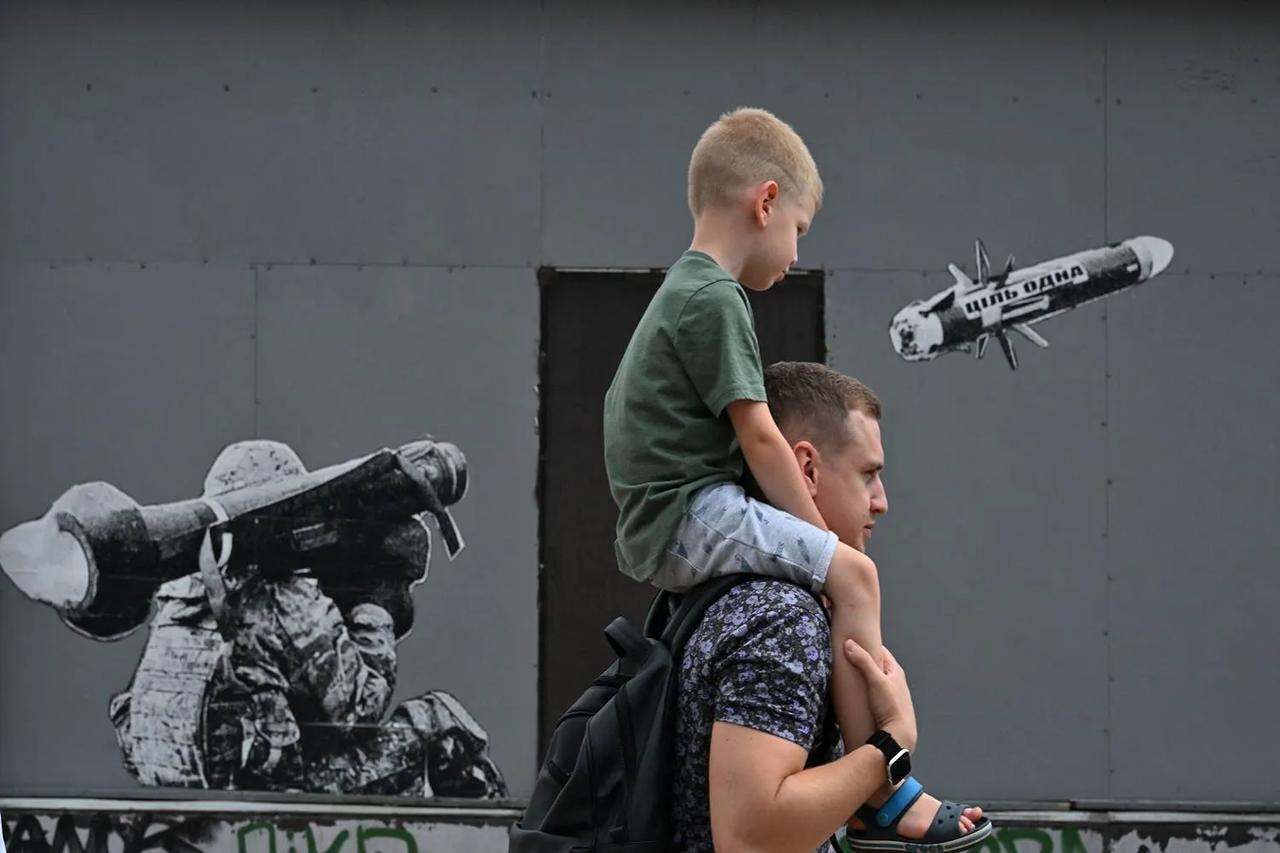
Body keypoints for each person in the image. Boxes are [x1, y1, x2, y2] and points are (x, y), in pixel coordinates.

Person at [602, 108, 980, 833]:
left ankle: (875, 784)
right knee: (856, 577)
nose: (797, 254)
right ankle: (884, 788)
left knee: (840, 576)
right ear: (766, 201)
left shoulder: (677, 294)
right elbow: (762, 438)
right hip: (689, 511)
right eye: (799, 229)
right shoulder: (715, 298)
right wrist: (820, 546)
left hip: (667, 519)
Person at [672, 362, 987, 851]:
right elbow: (749, 838)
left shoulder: (735, 594)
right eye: (868, 474)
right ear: (808, 469)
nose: (881, 501)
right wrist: (891, 743)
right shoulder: (781, 616)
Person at [109, 440, 506, 798]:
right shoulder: (280, 595)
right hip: (265, 811)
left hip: (177, 799)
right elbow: (358, 713)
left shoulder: (179, 587)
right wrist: (375, 610)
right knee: (440, 720)